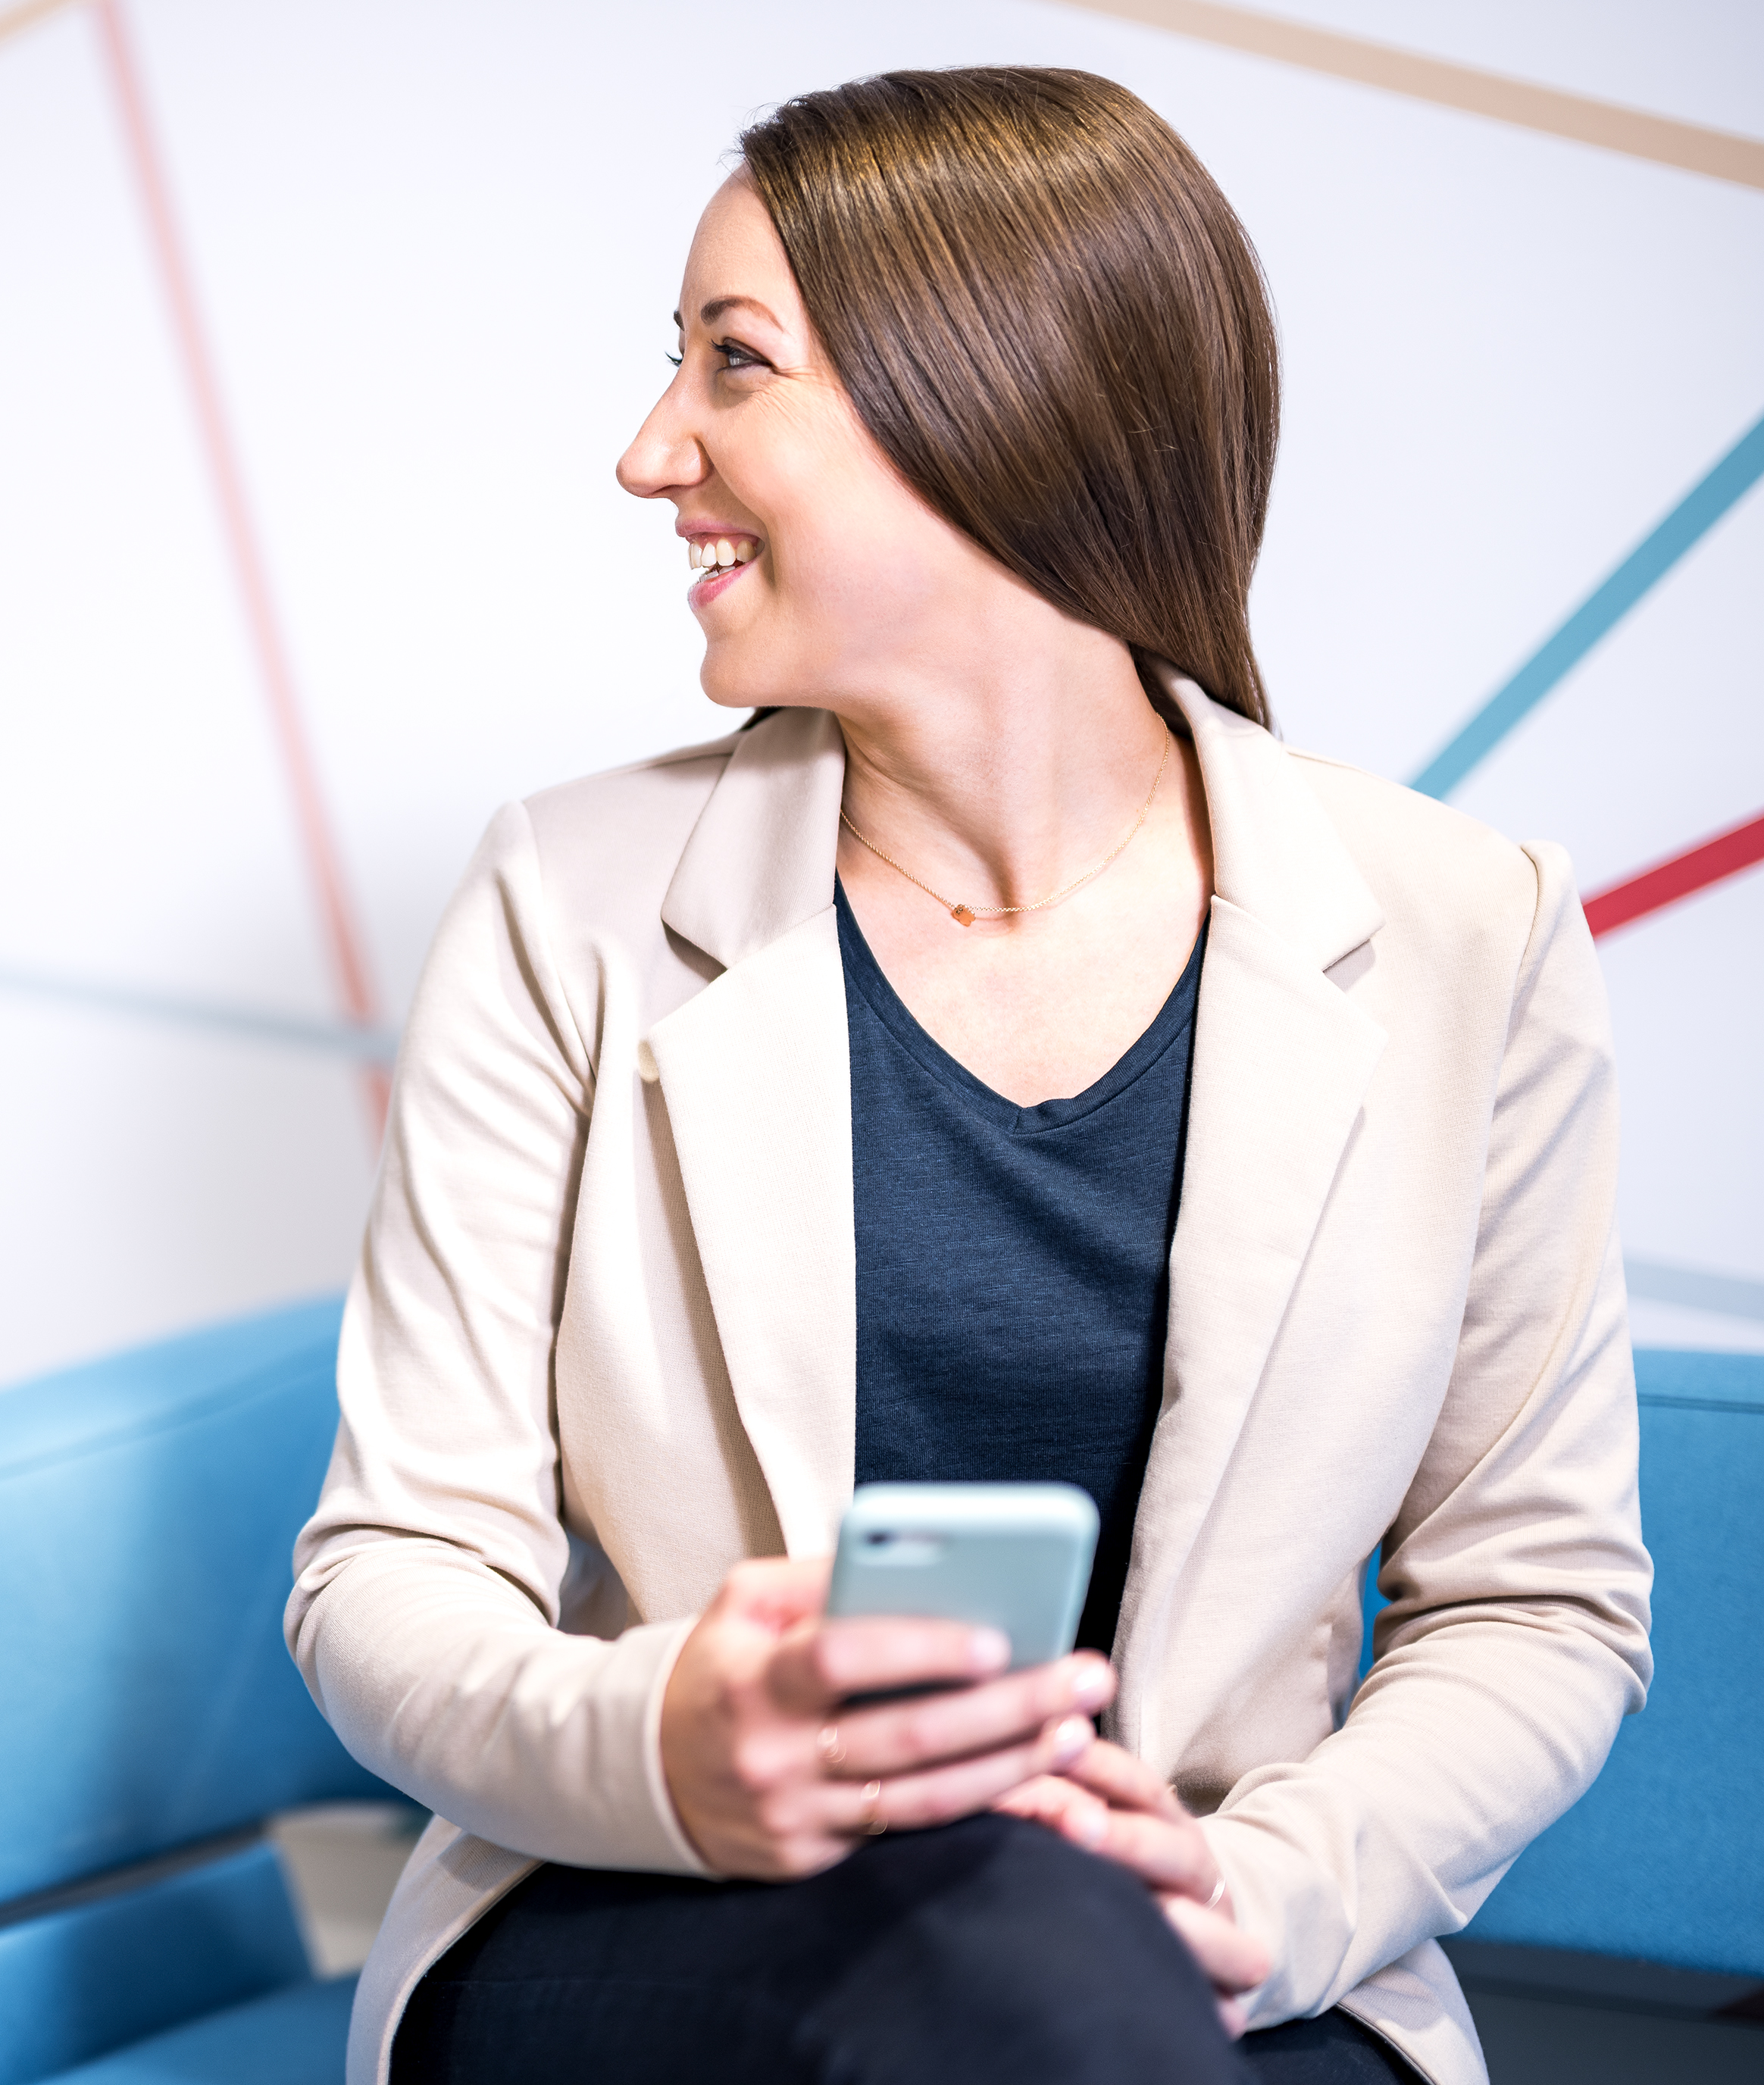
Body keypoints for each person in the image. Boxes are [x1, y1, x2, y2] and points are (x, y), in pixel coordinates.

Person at [286, 67, 1650, 2085]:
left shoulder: (1469, 928)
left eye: (731, 367)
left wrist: (1268, 1889)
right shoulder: (564, 899)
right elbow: (392, 1575)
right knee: (1010, 1950)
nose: (649, 449)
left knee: (1050, 1972)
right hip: (670, 1924)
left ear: (990, 404)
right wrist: (669, 1741)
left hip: (1225, 1955)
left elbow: (1536, 1602)